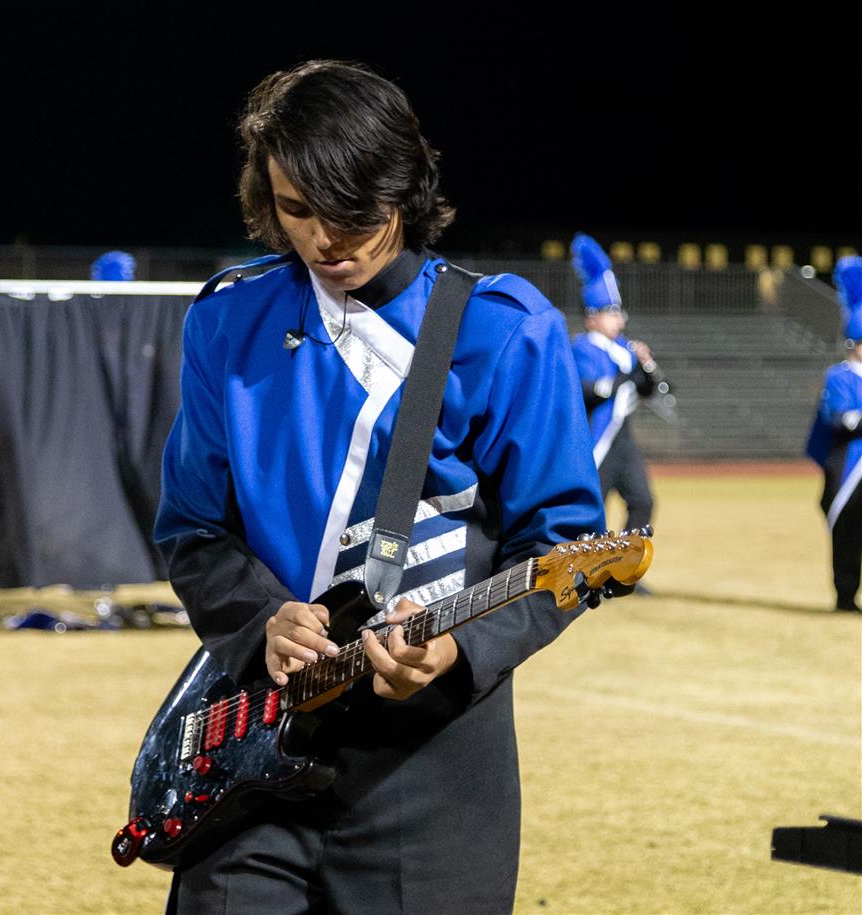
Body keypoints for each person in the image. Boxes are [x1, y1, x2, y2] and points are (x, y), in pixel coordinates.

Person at [153, 60, 605, 914]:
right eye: (296, 210)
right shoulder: (226, 320)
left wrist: (461, 648)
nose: (327, 237)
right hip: (252, 742)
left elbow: (566, 543)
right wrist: (262, 621)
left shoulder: (503, 332)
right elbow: (191, 527)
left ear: (404, 186)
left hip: (429, 765)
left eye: (353, 211)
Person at [569, 233, 659, 533]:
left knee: (643, 502)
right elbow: (592, 391)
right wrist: (626, 376)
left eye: (619, 312)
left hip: (624, 439)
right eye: (611, 312)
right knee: (592, 513)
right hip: (598, 436)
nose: (619, 320)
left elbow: (648, 390)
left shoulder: (625, 349)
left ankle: (625, 574)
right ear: (592, 316)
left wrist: (647, 370)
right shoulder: (583, 347)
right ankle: (587, 576)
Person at [806, 255, 862, 612]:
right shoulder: (839, 376)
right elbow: (842, 420)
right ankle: (845, 597)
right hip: (847, 468)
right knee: (847, 535)